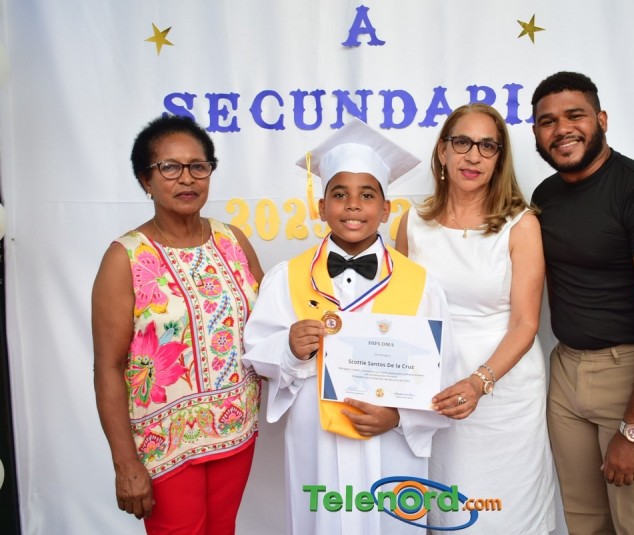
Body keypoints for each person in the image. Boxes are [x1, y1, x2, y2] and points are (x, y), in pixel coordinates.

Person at [242, 119, 455, 535]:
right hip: (316, 436)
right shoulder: (288, 277)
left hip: (389, 439)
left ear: (386, 209)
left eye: (367, 195)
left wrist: (398, 417)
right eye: (340, 194)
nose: (353, 206)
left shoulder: (420, 284)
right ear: (322, 207)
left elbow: (441, 371)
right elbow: (258, 353)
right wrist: (289, 347)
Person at [530, 71, 634, 535]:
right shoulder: (546, 196)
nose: (562, 129)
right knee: (584, 523)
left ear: (601, 120)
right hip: (567, 373)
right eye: (547, 121)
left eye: (575, 115)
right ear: (536, 133)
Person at [92, 115, 265, 534]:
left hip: (235, 429)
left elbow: (268, 326)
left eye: (198, 166)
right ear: (145, 180)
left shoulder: (232, 240)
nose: (186, 178)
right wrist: (125, 463)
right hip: (164, 444)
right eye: (169, 167)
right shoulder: (125, 257)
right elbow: (108, 368)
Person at [396, 103, 556, 534]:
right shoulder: (412, 223)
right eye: (463, 142)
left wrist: (479, 382)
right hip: (437, 393)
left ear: (500, 158)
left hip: (503, 393)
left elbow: (526, 323)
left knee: (506, 516)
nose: (473, 156)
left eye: (488, 146)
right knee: (450, 513)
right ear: (443, 151)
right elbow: (400, 312)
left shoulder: (521, 225)